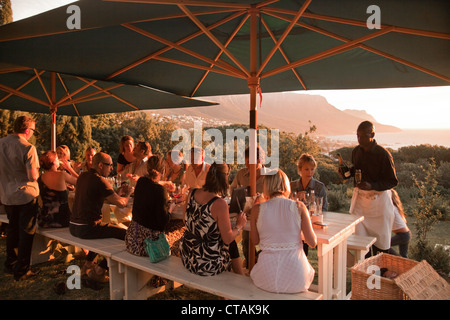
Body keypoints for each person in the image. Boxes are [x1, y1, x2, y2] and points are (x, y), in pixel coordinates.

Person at [249, 169, 317, 293]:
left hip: (265, 278)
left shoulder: (257, 209)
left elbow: (254, 241)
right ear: (286, 184)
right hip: (297, 279)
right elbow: (312, 242)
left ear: (266, 185)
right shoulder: (299, 206)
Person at [70, 152, 132, 283]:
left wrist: (117, 193)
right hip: (87, 228)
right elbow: (121, 203)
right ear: (100, 165)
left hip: (73, 226)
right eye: (109, 165)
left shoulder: (83, 176)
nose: (111, 168)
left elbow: (99, 194)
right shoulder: (99, 180)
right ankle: (99, 270)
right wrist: (128, 194)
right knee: (127, 235)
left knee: (104, 228)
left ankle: (88, 263)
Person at [180, 162, 247, 276]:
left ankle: (240, 276)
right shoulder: (219, 203)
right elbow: (227, 239)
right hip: (207, 263)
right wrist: (239, 225)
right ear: (225, 178)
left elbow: (184, 220)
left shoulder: (192, 192)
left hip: (188, 256)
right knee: (231, 243)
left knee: (228, 243)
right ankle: (240, 277)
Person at [349, 121, 398, 256]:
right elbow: (355, 170)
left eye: (363, 136)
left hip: (379, 206)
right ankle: (364, 275)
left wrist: (372, 186)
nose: (359, 139)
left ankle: (378, 275)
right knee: (361, 249)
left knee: (381, 250)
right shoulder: (356, 152)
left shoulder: (383, 155)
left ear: (372, 134)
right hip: (361, 206)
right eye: (357, 136)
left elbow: (392, 181)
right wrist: (347, 172)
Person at [0, 116, 40, 280]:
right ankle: (22, 270)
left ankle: (11, 263)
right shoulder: (28, 147)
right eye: (32, 130)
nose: (32, 134)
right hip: (25, 195)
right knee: (26, 232)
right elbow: (32, 176)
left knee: (12, 229)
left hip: (6, 194)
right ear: (26, 130)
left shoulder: (1, 143)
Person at [125, 155, 170, 256]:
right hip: (147, 246)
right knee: (174, 238)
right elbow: (162, 223)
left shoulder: (140, 182)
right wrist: (170, 209)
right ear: (163, 171)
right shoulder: (160, 190)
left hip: (132, 239)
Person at [229, 146, 265, 268]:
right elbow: (232, 189)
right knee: (246, 241)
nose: (248, 165)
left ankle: (260, 263)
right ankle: (251, 266)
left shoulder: (270, 176)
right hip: (246, 216)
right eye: (246, 162)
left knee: (267, 243)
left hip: (265, 216)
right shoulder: (241, 174)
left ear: (260, 161)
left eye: (251, 162)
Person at [38, 150, 77, 228]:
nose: (59, 160)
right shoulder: (62, 174)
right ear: (53, 163)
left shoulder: (41, 177)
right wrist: (69, 169)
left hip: (44, 220)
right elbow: (83, 182)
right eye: (57, 158)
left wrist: (65, 187)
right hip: (62, 220)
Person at [388, 189, 411, 258]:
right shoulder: (395, 207)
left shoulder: (391, 207)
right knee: (404, 257)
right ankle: (406, 266)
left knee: (384, 246)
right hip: (406, 234)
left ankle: (399, 259)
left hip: (403, 235)